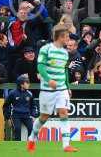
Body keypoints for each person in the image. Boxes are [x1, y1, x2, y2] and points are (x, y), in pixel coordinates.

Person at [27, 24, 78, 153]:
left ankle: (66, 145)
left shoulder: (65, 53)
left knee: (64, 113)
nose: (68, 39)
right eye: (66, 36)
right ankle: (32, 137)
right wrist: (49, 80)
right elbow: (40, 67)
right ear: (59, 37)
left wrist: (67, 86)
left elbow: (65, 70)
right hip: (47, 90)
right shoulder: (46, 49)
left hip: (61, 90)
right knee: (44, 117)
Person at [3, 75, 37, 141]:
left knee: (32, 129)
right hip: (16, 115)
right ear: (21, 84)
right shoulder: (12, 93)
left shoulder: (29, 94)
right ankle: (17, 147)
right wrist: (7, 117)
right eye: (27, 82)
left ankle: (30, 145)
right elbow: (6, 105)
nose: (28, 84)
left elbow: (33, 106)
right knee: (17, 129)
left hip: (27, 115)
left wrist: (33, 115)